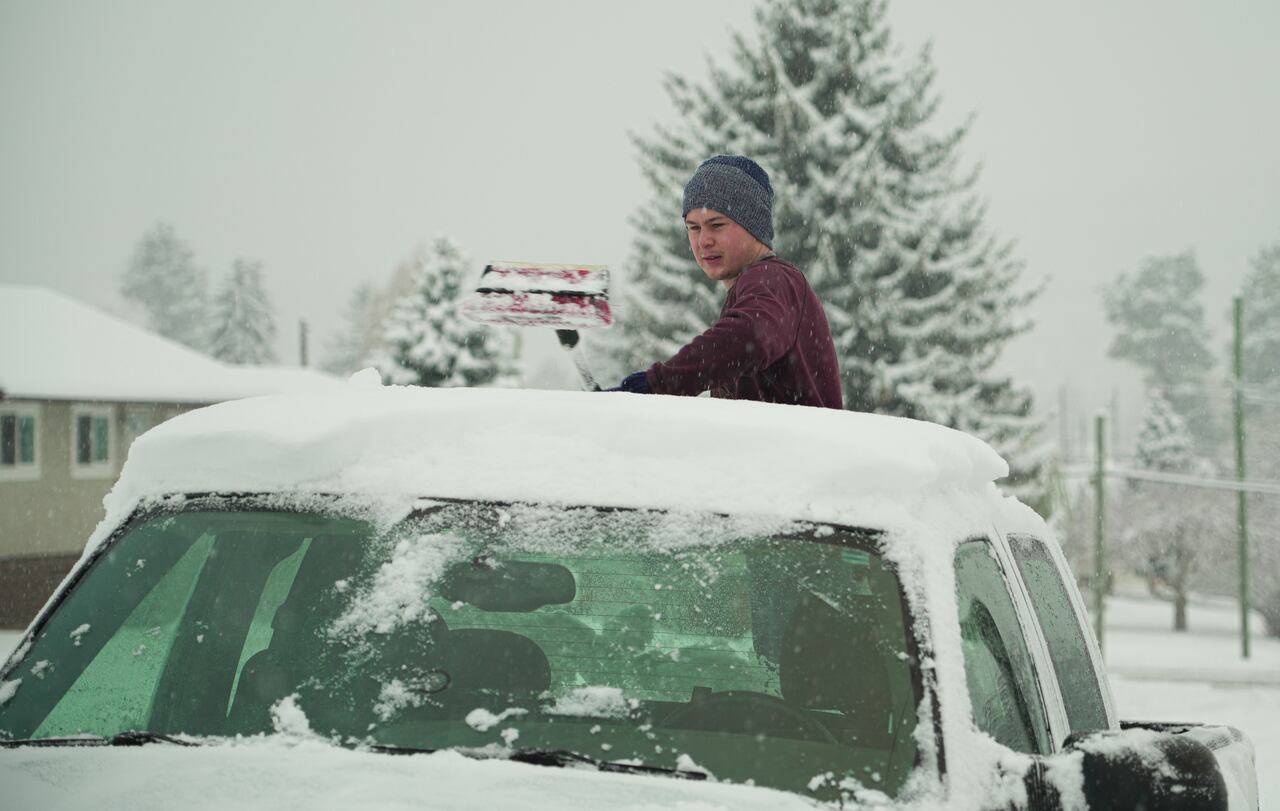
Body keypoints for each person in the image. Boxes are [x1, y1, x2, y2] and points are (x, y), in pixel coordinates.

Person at [608, 155, 842, 409]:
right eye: (693, 228)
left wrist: (660, 383)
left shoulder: (772, 279)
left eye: (716, 225)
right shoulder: (752, 290)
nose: (703, 241)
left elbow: (750, 336)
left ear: (753, 226)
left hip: (798, 449)